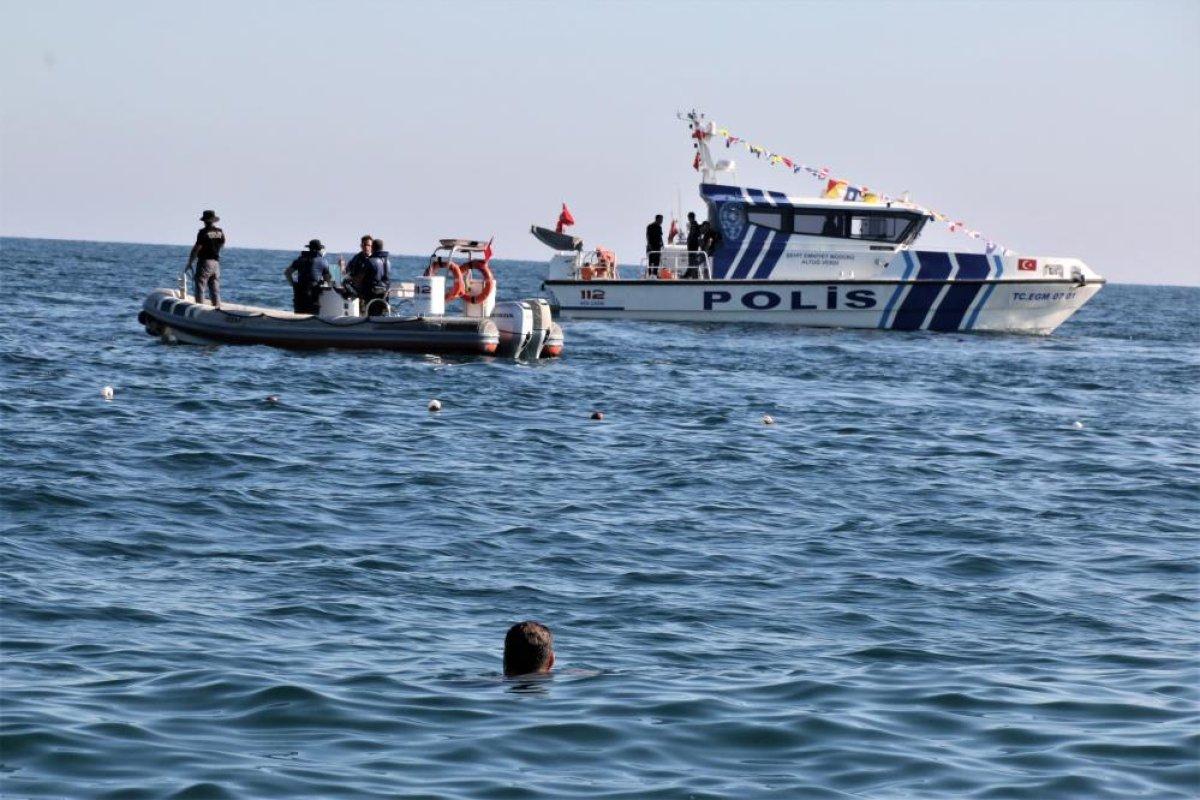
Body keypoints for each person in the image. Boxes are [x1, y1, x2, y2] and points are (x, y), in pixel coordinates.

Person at [186, 210, 225, 307]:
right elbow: (222, 243)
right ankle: (217, 308)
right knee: (214, 288)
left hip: (205, 263)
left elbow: (197, 248)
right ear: (213, 220)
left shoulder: (203, 232)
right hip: (216, 263)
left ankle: (200, 308)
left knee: (200, 285)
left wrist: (190, 262)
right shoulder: (220, 232)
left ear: (204, 221)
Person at [283, 239, 333, 314]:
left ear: (309, 248)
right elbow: (327, 278)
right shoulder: (323, 261)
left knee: (299, 315)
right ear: (320, 249)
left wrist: (292, 284)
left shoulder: (300, 259)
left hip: (299, 293)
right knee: (312, 316)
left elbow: (287, 272)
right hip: (312, 294)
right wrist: (329, 284)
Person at [359, 238, 391, 315]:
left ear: (372, 247)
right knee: (380, 313)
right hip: (384, 294)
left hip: (371, 295)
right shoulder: (388, 262)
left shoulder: (370, 261)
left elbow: (360, 278)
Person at [338, 234, 374, 301]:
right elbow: (346, 272)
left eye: (368, 245)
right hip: (357, 289)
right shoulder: (357, 258)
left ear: (372, 246)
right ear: (361, 246)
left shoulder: (374, 259)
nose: (366, 247)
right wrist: (342, 266)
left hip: (369, 290)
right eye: (364, 245)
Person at [685, 211, 701, 278]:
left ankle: (690, 275)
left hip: (693, 246)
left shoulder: (694, 224)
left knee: (692, 261)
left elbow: (693, 235)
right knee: (692, 261)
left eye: (688, 217)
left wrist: (689, 240)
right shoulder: (694, 224)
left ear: (690, 217)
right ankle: (691, 275)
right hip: (693, 246)